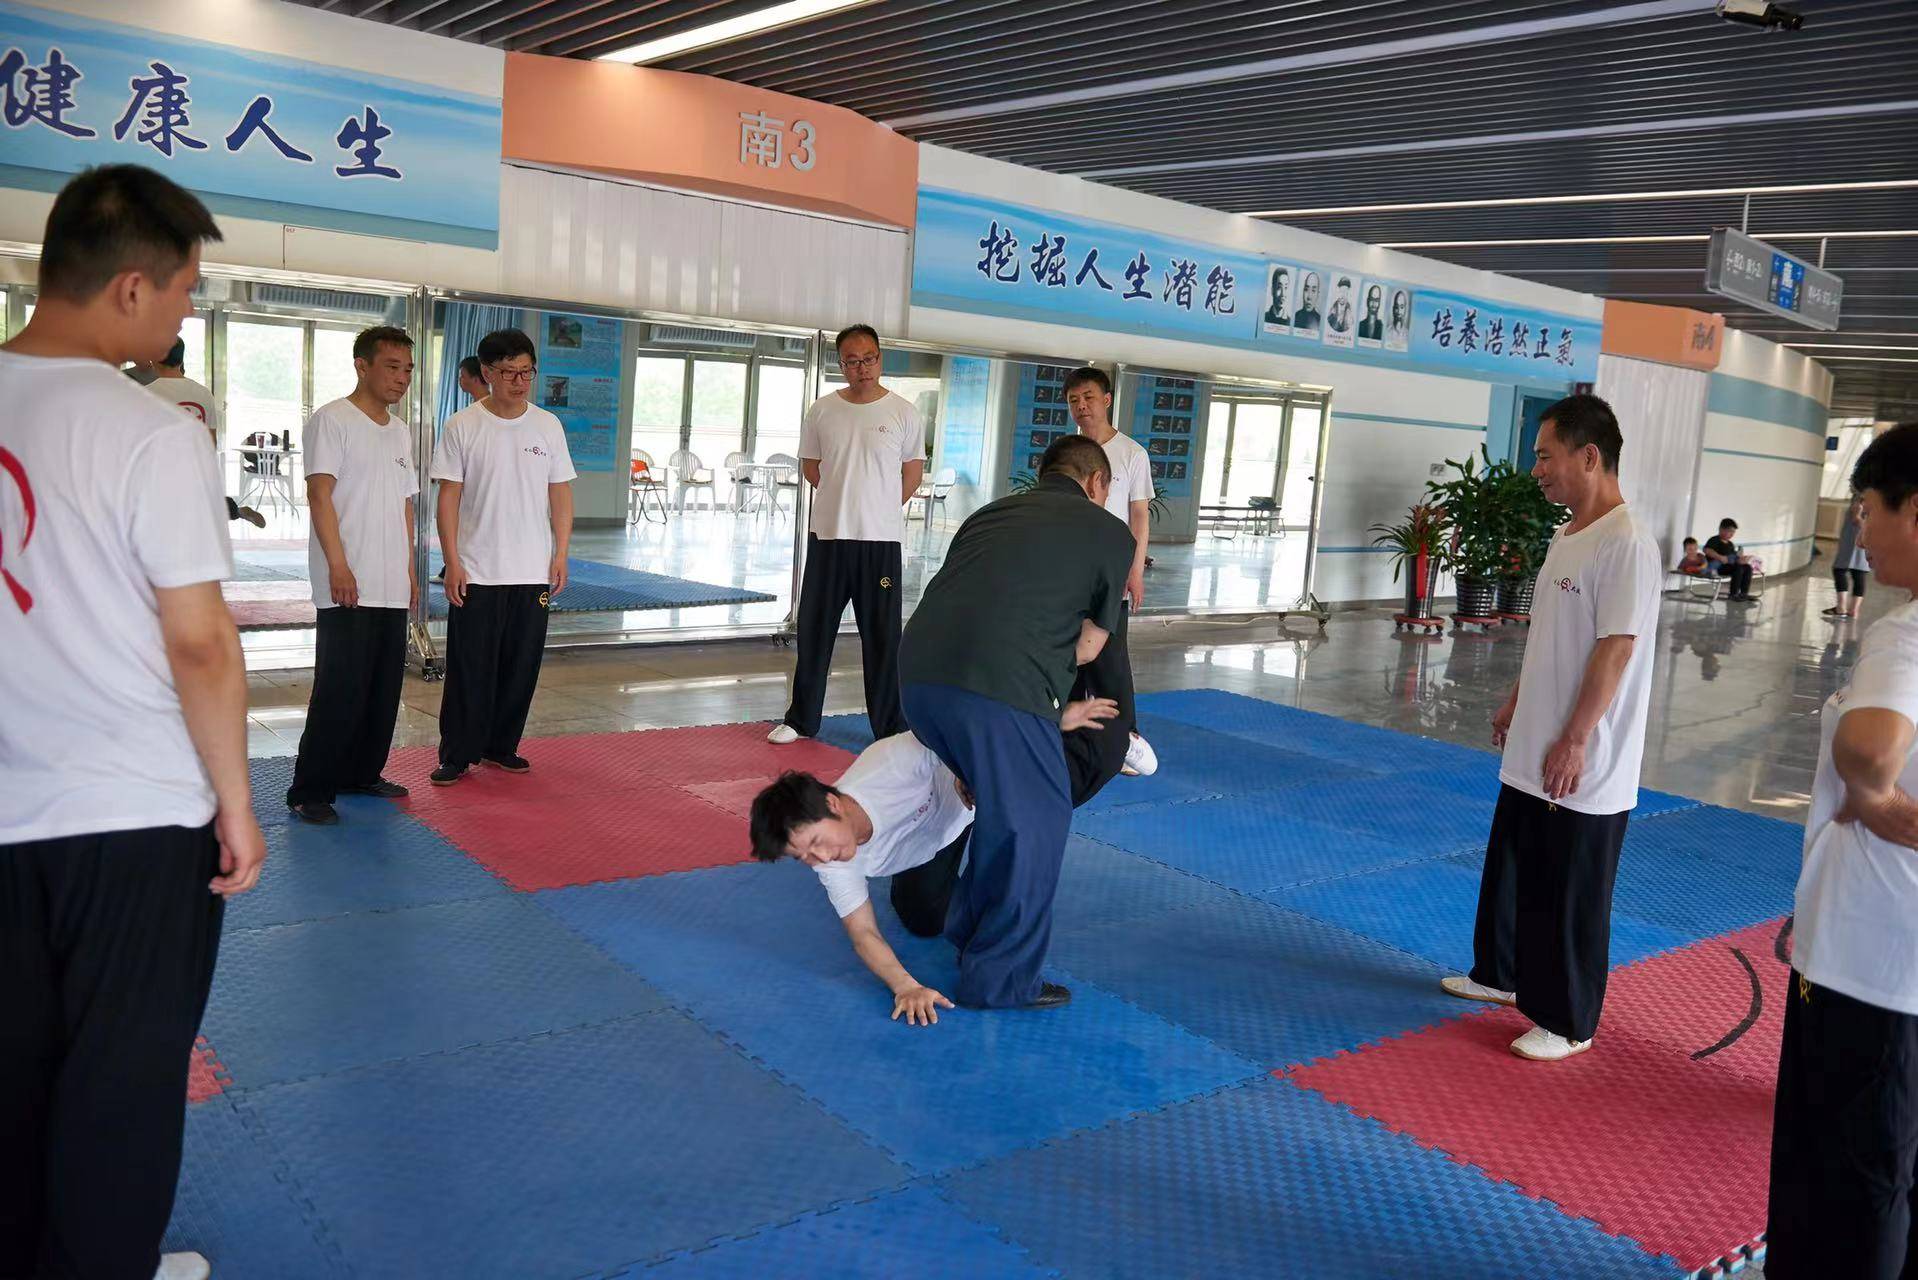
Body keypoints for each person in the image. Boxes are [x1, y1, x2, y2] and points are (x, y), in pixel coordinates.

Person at [1, 164, 264, 1280]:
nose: (186, 313)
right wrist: (238, 805)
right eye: (186, 289)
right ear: (128, 291)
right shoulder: (150, 430)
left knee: (13, 1066)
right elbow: (200, 642)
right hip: (132, 812)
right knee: (121, 1077)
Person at [1440, 394, 1662, 1062]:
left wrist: (1576, 736)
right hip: (1536, 736)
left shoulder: (1625, 542)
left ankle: (1569, 1019)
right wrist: (1517, 697)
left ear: (1588, 457)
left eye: (1545, 455)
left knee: (1569, 887)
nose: (1536, 468)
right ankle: (1500, 973)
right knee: (1514, 863)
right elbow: (1552, 637)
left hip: (1583, 752)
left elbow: (1615, 648)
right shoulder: (1569, 534)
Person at [898, 434, 1135, 1010]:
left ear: (1043, 473)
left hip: (917, 683)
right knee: (1035, 824)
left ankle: (971, 934)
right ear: (1098, 483)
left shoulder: (989, 513)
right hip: (997, 691)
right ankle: (1001, 982)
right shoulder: (1110, 532)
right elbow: (1088, 647)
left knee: (1003, 810)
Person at [1767, 422, 1918, 1278]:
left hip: (1870, 958)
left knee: (1848, 1186)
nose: (1859, 527)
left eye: (1867, 508)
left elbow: (1867, 748)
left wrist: (1874, 796)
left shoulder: (1904, 635)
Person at [748, 690, 1121, 1024]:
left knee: (1033, 819)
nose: (820, 858)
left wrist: (966, 767)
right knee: (925, 919)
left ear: (831, 803)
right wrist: (905, 986)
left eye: (816, 842)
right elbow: (862, 932)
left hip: (975, 795)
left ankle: (1106, 747)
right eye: (804, 857)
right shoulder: (833, 862)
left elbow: (967, 730)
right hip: (931, 840)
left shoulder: (890, 763)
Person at [284, 325, 420, 823]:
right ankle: (311, 790)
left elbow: (405, 507)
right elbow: (319, 496)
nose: (402, 377)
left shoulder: (400, 430)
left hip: (388, 579)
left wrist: (409, 570)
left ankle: (361, 773)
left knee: (382, 688)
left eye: (407, 369)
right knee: (340, 688)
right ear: (362, 365)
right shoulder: (332, 420)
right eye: (392, 367)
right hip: (348, 576)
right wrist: (338, 565)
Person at [428, 327, 576, 785]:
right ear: (487, 373)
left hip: (531, 568)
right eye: (508, 372)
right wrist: (452, 560)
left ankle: (500, 746)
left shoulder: (547, 425)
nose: (519, 380)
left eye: (526, 371)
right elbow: (448, 497)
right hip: (478, 567)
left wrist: (561, 552)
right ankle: (457, 753)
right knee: (471, 667)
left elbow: (561, 494)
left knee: (520, 665)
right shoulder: (463, 425)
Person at [770, 324, 923, 746]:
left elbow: (913, 470)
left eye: (869, 358)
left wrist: (879, 505)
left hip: (880, 543)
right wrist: (845, 498)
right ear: (841, 364)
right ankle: (801, 720)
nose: (862, 368)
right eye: (853, 361)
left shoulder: (904, 411)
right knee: (815, 631)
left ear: (880, 358)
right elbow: (811, 467)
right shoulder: (822, 410)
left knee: (883, 636)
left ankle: (890, 725)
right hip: (830, 537)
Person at [1064, 366, 1158, 780]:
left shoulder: (1132, 453)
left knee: (1110, 661)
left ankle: (1126, 740)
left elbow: (1139, 516)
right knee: (1066, 655)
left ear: (1105, 400)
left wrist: (1134, 570)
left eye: (1087, 397)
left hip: (1111, 569)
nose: (1081, 407)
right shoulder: (1066, 452)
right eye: (1073, 401)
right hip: (1069, 570)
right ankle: (1066, 732)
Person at [144, 337, 266, 529]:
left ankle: (236, 511)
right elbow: (211, 442)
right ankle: (236, 511)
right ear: (181, 361)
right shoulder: (203, 394)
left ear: (154, 358)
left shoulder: (145, 394)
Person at [1826, 497, 1869, 619]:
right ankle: (1854, 611)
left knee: (1839, 570)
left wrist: (1862, 522)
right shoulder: (1875, 501)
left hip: (1852, 542)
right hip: (1863, 541)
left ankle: (1841, 608)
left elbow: (1857, 520)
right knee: (1859, 573)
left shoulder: (1859, 499)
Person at [1702, 518, 1756, 602]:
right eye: (1730, 531)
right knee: (1738, 568)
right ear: (1721, 529)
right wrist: (1719, 557)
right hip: (1717, 567)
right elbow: (1707, 550)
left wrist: (1742, 559)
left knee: (1747, 567)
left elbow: (1733, 558)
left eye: (1733, 532)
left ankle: (1743, 593)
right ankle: (1733, 594)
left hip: (1729, 566)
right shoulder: (1714, 540)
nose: (1732, 534)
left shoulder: (1730, 544)